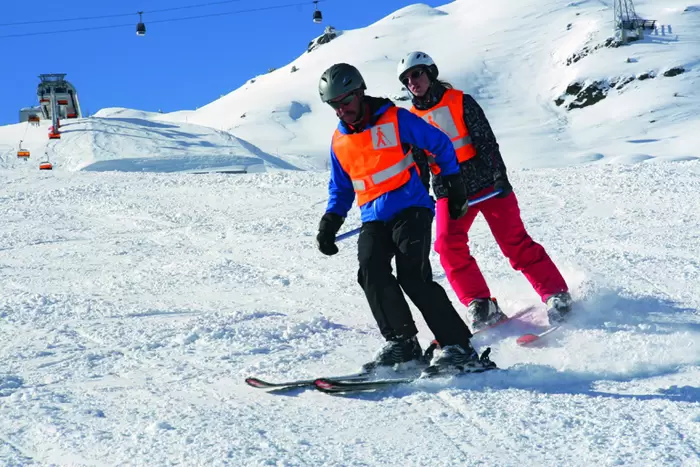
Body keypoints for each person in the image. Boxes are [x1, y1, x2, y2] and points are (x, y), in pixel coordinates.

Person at [315, 62, 495, 375]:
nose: (341, 110)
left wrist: (453, 183)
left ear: (360, 93)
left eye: (345, 101)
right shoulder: (339, 142)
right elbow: (341, 188)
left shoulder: (394, 118)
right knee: (370, 271)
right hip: (373, 217)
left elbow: (439, 143)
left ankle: (458, 346)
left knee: (412, 275)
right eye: (334, 105)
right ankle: (402, 343)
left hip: (412, 208)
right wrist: (330, 221)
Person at [396, 51, 573, 330]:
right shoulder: (410, 120)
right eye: (406, 79)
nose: (412, 82)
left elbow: (486, 142)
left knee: (514, 242)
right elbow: (419, 164)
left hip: (487, 185)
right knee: (446, 244)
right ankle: (480, 303)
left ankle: (556, 294)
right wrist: (420, 197)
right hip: (450, 192)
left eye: (416, 74)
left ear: (430, 72)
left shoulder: (460, 101)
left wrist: (499, 176)